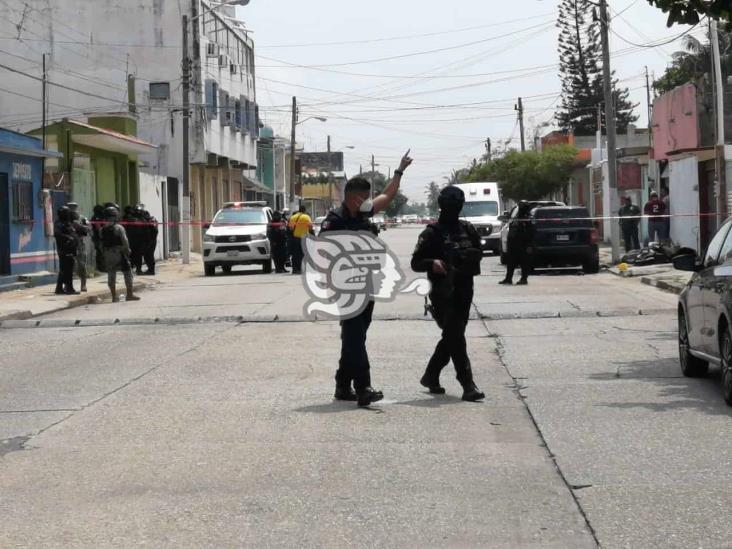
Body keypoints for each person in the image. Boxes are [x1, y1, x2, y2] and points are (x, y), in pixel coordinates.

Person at [321, 150, 413, 407]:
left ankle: (342, 385)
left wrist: (399, 170)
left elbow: (389, 194)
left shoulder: (364, 214)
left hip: (368, 284)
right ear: (352, 197)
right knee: (355, 337)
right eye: (364, 196)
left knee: (355, 337)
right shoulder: (334, 221)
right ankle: (363, 387)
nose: (368, 200)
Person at [411, 186, 485, 402]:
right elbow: (415, 263)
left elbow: (478, 253)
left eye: (457, 206)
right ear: (442, 206)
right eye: (451, 206)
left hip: (464, 289)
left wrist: (471, 257)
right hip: (442, 292)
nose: (454, 210)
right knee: (455, 336)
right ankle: (467, 384)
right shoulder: (431, 233)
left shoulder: (467, 229)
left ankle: (431, 375)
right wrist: (432, 263)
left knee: (452, 335)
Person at [100, 206, 140, 303]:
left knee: (111, 275)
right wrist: (127, 250)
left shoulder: (102, 229)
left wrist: (104, 254)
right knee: (127, 273)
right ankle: (129, 295)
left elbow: (101, 244)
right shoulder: (119, 228)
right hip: (120, 253)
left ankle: (114, 297)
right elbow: (125, 241)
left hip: (108, 254)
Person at [499, 201, 533, 286]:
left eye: (522, 206)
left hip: (522, 243)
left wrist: (529, 244)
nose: (520, 208)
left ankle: (523, 279)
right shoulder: (515, 215)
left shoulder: (527, 218)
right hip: (513, 241)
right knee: (510, 261)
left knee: (523, 262)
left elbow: (529, 232)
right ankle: (508, 278)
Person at [53, 206, 80, 295]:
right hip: (64, 250)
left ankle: (60, 288)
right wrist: (68, 238)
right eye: (67, 213)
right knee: (67, 270)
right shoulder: (59, 223)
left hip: (70, 249)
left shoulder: (67, 222)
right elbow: (57, 234)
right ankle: (69, 288)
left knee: (66, 269)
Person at [67, 202, 90, 292]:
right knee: (69, 266)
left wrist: (79, 226)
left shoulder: (82, 218)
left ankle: (83, 284)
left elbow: (88, 229)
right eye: (70, 207)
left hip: (79, 244)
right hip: (68, 244)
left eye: (74, 207)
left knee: (82, 265)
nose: (72, 209)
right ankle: (68, 285)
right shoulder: (65, 218)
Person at [288, 205, 312, 275]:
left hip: (295, 238)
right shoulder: (306, 217)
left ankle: (295, 269)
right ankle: (302, 269)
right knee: (303, 254)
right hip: (304, 238)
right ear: (304, 210)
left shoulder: (293, 217)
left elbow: (291, 228)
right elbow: (310, 227)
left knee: (295, 254)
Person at [123, 205, 146, 275]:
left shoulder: (141, 219)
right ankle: (133, 269)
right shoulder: (130, 218)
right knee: (133, 255)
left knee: (137, 255)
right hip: (133, 239)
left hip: (137, 239)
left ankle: (137, 269)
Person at [140, 205, 158, 275]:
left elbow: (147, 232)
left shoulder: (147, 221)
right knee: (149, 255)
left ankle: (151, 270)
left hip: (149, 240)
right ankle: (150, 269)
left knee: (148, 255)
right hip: (152, 240)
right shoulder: (153, 220)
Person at [90, 204, 106, 272]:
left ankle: (102, 267)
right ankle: (101, 267)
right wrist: (102, 236)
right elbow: (98, 227)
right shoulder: (97, 217)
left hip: (98, 237)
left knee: (101, 252)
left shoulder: (98, 216)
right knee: (100, 252)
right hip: (99, 237)